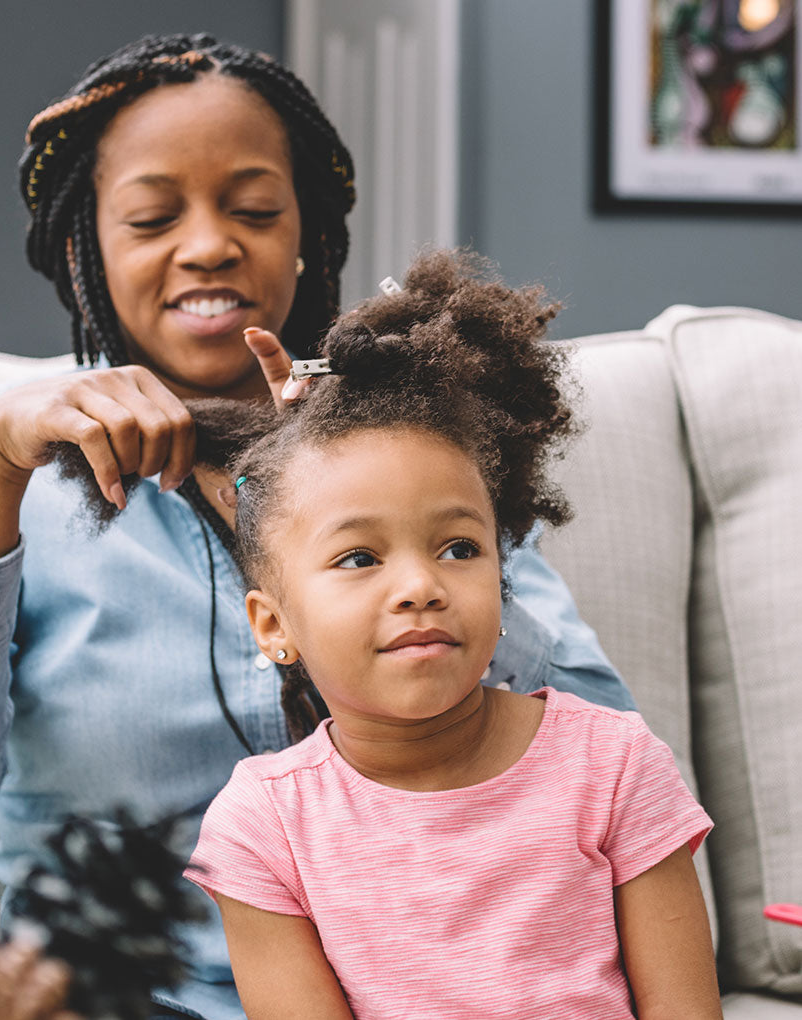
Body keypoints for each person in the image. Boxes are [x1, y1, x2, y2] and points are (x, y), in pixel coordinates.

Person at [0, 33, 634, 1019]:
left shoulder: (402, 441)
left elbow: (608, 756)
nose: (211, 243)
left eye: (254, 209)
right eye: (152, 216)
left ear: (307, 232)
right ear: (89, 241)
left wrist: (371, 512)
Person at [185, 249, 722, 1019]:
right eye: (360, 557)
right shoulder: (263, 825)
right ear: (274, 627)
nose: (420, 587)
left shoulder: (615, 765)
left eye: (459, 548)